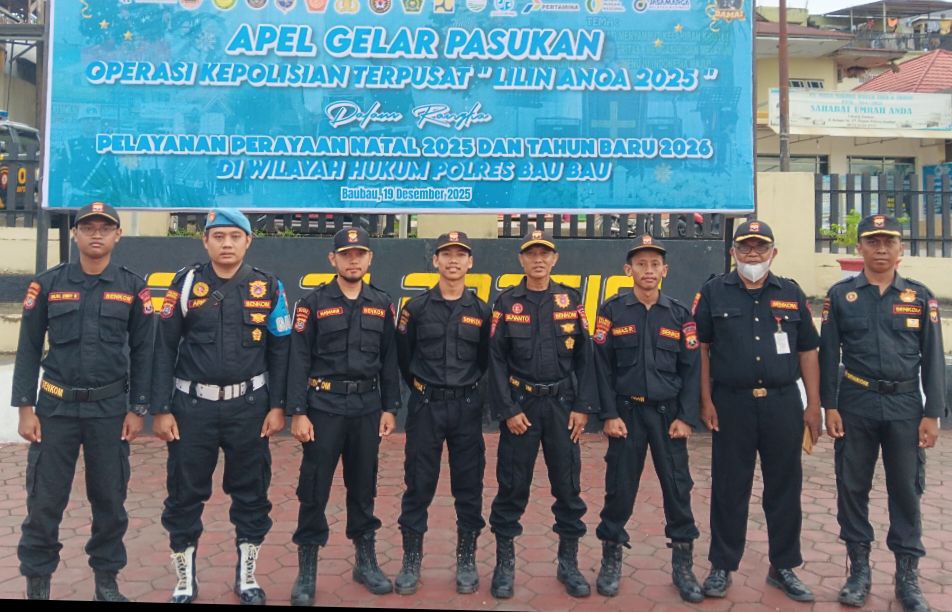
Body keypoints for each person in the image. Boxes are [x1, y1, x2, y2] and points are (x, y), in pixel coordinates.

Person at [13, 202, 153, 601]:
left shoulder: (133, 287)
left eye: (104, 228)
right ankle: (38, 583)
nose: (96, 234)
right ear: (75, 234)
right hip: (54, 410)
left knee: (110, 500)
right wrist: (25, 408)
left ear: (117, 235)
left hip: (109, 411)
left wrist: (137, 408)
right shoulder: (48, 283)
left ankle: (106, 583)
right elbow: (28, 347)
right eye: (88, 227)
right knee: (44, 501)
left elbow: (145, 350)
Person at [151, 208, 291, 605]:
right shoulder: (185, 284)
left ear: (248, 241)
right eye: (218, 236)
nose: (226, 243)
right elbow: (163, 348)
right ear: (205, 241)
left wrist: (279, 406)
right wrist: (160, 408)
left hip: (249, 408)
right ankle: (185, 578)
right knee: (183, 494)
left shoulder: (269, 287)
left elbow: (282, 350)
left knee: (252, 494)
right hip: (191, 408)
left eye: (234, 236)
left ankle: (247, 576)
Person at [819, 214, 945, 612]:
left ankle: (907, 577)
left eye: (889, 241)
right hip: (855, 402)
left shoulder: (920, 297)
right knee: (852, 487)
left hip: (905, 406)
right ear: (859, 247)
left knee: (906, 489)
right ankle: (858, 572)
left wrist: (933, 413)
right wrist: (829, 406)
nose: (881, 249)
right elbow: (828, 355)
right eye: (872, 241)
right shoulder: (841, 296)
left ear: (900, 248)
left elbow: (933, 358)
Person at [694, 220, 821, 602]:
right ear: (733, 251)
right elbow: (701, 348)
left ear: (773, 252)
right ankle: (722, 565)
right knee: (729, 487)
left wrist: (813, 405)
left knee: (785, 487)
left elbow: (807, 350)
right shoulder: (713, 292)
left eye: (760, 247)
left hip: (783, 403)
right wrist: (705, 400)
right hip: (731, 403)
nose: (753, 254)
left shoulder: (791, 293)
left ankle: (783, 566)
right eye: (745, 247)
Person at [287, 227, 401, 605]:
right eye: (346, 254)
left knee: (363, 486)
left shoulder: (381, 302)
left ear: (370, 258)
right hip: (324, 408)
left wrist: (390, 407)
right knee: (314, 488)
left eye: (360, 254)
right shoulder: (312, 303)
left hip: (367, 407)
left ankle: (365, 562)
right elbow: (298, 360)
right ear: (332, 259)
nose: (353, 261)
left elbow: (389, 359)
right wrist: (298, 412)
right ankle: (307, 570)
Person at [487, 229, 598, 599]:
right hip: (521, 407)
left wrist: (582, 406)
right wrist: (507, 409)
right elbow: (495, 360)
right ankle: (504, 566)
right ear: (522, 260)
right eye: (531, 254)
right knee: (512, 486)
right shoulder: (506, 302)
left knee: (567, 487)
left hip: (562, 407)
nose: (538, 260)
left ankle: (569, 564)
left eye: (544, 254)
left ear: (554, 259)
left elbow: (585, 357)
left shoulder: (571, 299)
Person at [592, 235, 703, 602]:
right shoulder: (612, 311)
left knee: (678, 488)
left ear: (665, 270)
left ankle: (683, 565)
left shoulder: (679, 314)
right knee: (620, 487)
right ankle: (610, 558)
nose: (648, 270)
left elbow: (691, 369)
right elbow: (601, 367)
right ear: (629, 270)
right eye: (641, 264)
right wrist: (609, 414)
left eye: (655, 264)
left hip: (668, 416)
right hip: (626, 414)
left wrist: (686, 417)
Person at [393, 231, 490, 595]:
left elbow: (485, 360)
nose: (453, 261)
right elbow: (404, 357)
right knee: (418, 484)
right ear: (435, 261)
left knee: (469, 486)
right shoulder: (415, 309)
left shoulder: (481, 311)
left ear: (470, 262)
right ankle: (411, 560)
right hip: (426, 407)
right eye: (446, 254)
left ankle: (466, 559)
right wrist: (424, 389)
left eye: (460, 255)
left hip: (466, 408)